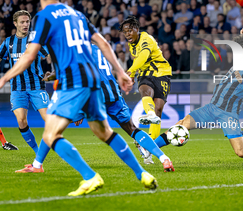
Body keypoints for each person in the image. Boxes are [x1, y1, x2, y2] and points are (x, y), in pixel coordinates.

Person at [0, 0, 157, 196]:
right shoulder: (77, 15)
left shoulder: (43, 17)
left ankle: (90, 176)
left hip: (72, 82)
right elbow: (102, 42)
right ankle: (141, 173)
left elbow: (28, 55)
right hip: (94, 80)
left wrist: (5, 77)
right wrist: (120, 72)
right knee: (104, 132)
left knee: (51, 135)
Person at [15, 44, 174, 172]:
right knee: (132, 129)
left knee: (52, 126)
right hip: (112, 93)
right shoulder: (97, 48)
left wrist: (50, 76)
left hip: (92, 95)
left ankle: (37, 166)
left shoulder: (73, 49)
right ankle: (163, 158)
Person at [152, 32, 243, 165]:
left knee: (241, 151)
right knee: (181, 125)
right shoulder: (239, 63)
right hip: (211, 108)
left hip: (228, 113)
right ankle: (149, 148)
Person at [120, 16, 172, 164]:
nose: (128, 34)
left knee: (159, 109)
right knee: (144, 90)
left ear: (137, 29)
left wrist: (129, 71)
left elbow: (143, 56)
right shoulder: (132, 45)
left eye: (130, 30)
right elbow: (139, 61)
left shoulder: (146, 39)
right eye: (125, 32)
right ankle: (149, 114)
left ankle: (149, 146)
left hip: (162, 73)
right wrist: (133, 75)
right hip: (145, 74)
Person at [0, 10, 50, 155]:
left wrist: (52, 69)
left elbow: (48, 56)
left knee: (49, 119)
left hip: (36, 86)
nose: (25, 24)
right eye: (22, 22)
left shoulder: (36, 41)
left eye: (27, 22)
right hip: (17, 88)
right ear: (15, 23)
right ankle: (38, 152)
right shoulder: (8, 43)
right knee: (21, 120)